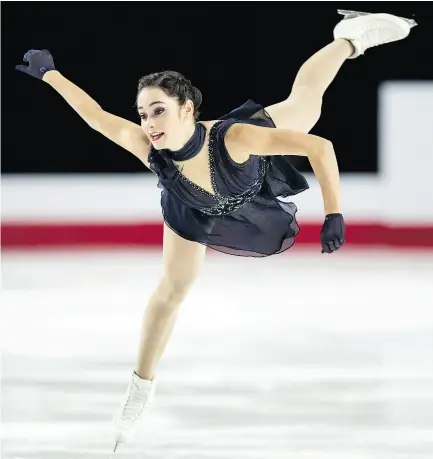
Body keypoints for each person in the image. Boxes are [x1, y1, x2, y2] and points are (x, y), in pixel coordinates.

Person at [15, 10, 415, 451]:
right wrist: (51, 75)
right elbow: (96, 116)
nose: (148, 123)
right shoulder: (152, 152)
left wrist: (334, 211)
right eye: (144, 113)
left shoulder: (235, 138)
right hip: (193, 212)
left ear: (187, 109)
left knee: (307, 103)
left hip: (248, 173)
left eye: (159, 111)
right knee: (170, 293)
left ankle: (349, 37)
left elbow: (321, 148)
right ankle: (139, 390)